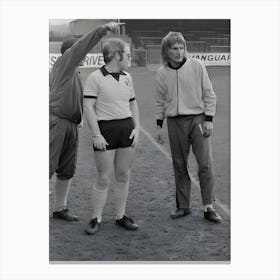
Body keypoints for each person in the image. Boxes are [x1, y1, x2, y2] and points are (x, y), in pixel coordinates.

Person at [49, 21, 121, 222]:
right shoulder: (63, 64)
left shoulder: (73, 73)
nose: (83, 57)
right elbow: (80, 47)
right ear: (70, 54)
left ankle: (59, 209)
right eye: (79, 54)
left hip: (70, 125)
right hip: (57, 123)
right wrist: (102, 30)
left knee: (66, 169)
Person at [155, 32, 222, 223]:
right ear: (166, 51)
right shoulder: (162, 72)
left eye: (181, 47)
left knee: (205, 163)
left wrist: (208, 119)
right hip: (175, 123)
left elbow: (209, 94)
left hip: (198, 120)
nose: (178, 52)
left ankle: (208, 206)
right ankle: (183, 206)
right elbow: (160, 101)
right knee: (179, 163)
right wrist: (158, 125)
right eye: (174, 48)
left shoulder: (197, 66)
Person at [83, 38, 140, 235]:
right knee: (104, 177)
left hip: (126, 129)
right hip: (105, 131)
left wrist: (137, 128)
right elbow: (88, 107)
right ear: (116, 55)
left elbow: (133, 104)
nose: (130, 58)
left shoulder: (127, 77)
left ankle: (120, 216)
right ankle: (95, 217)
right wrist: (96, 134)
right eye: (128, 54)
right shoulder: (95, 78)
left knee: (123, 175)